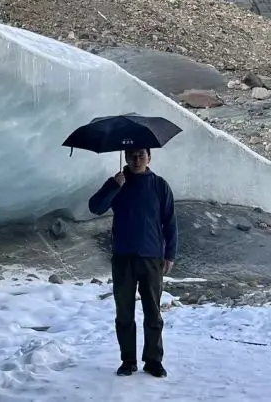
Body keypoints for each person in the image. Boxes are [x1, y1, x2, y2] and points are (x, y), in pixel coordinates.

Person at [88, 147, 177, 379]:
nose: (136, 159)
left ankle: (153, 361)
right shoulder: (118, 183)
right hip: (123, 258)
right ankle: (128, 361)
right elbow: (95, 207)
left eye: (140, 155)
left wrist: (170, 254)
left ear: (149, 157)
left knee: (153, 313)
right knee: (124, 313)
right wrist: (113, 186)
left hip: (151, 258)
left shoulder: (159, 185)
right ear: (125, 157)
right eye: (131, 155)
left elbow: (170, 222)